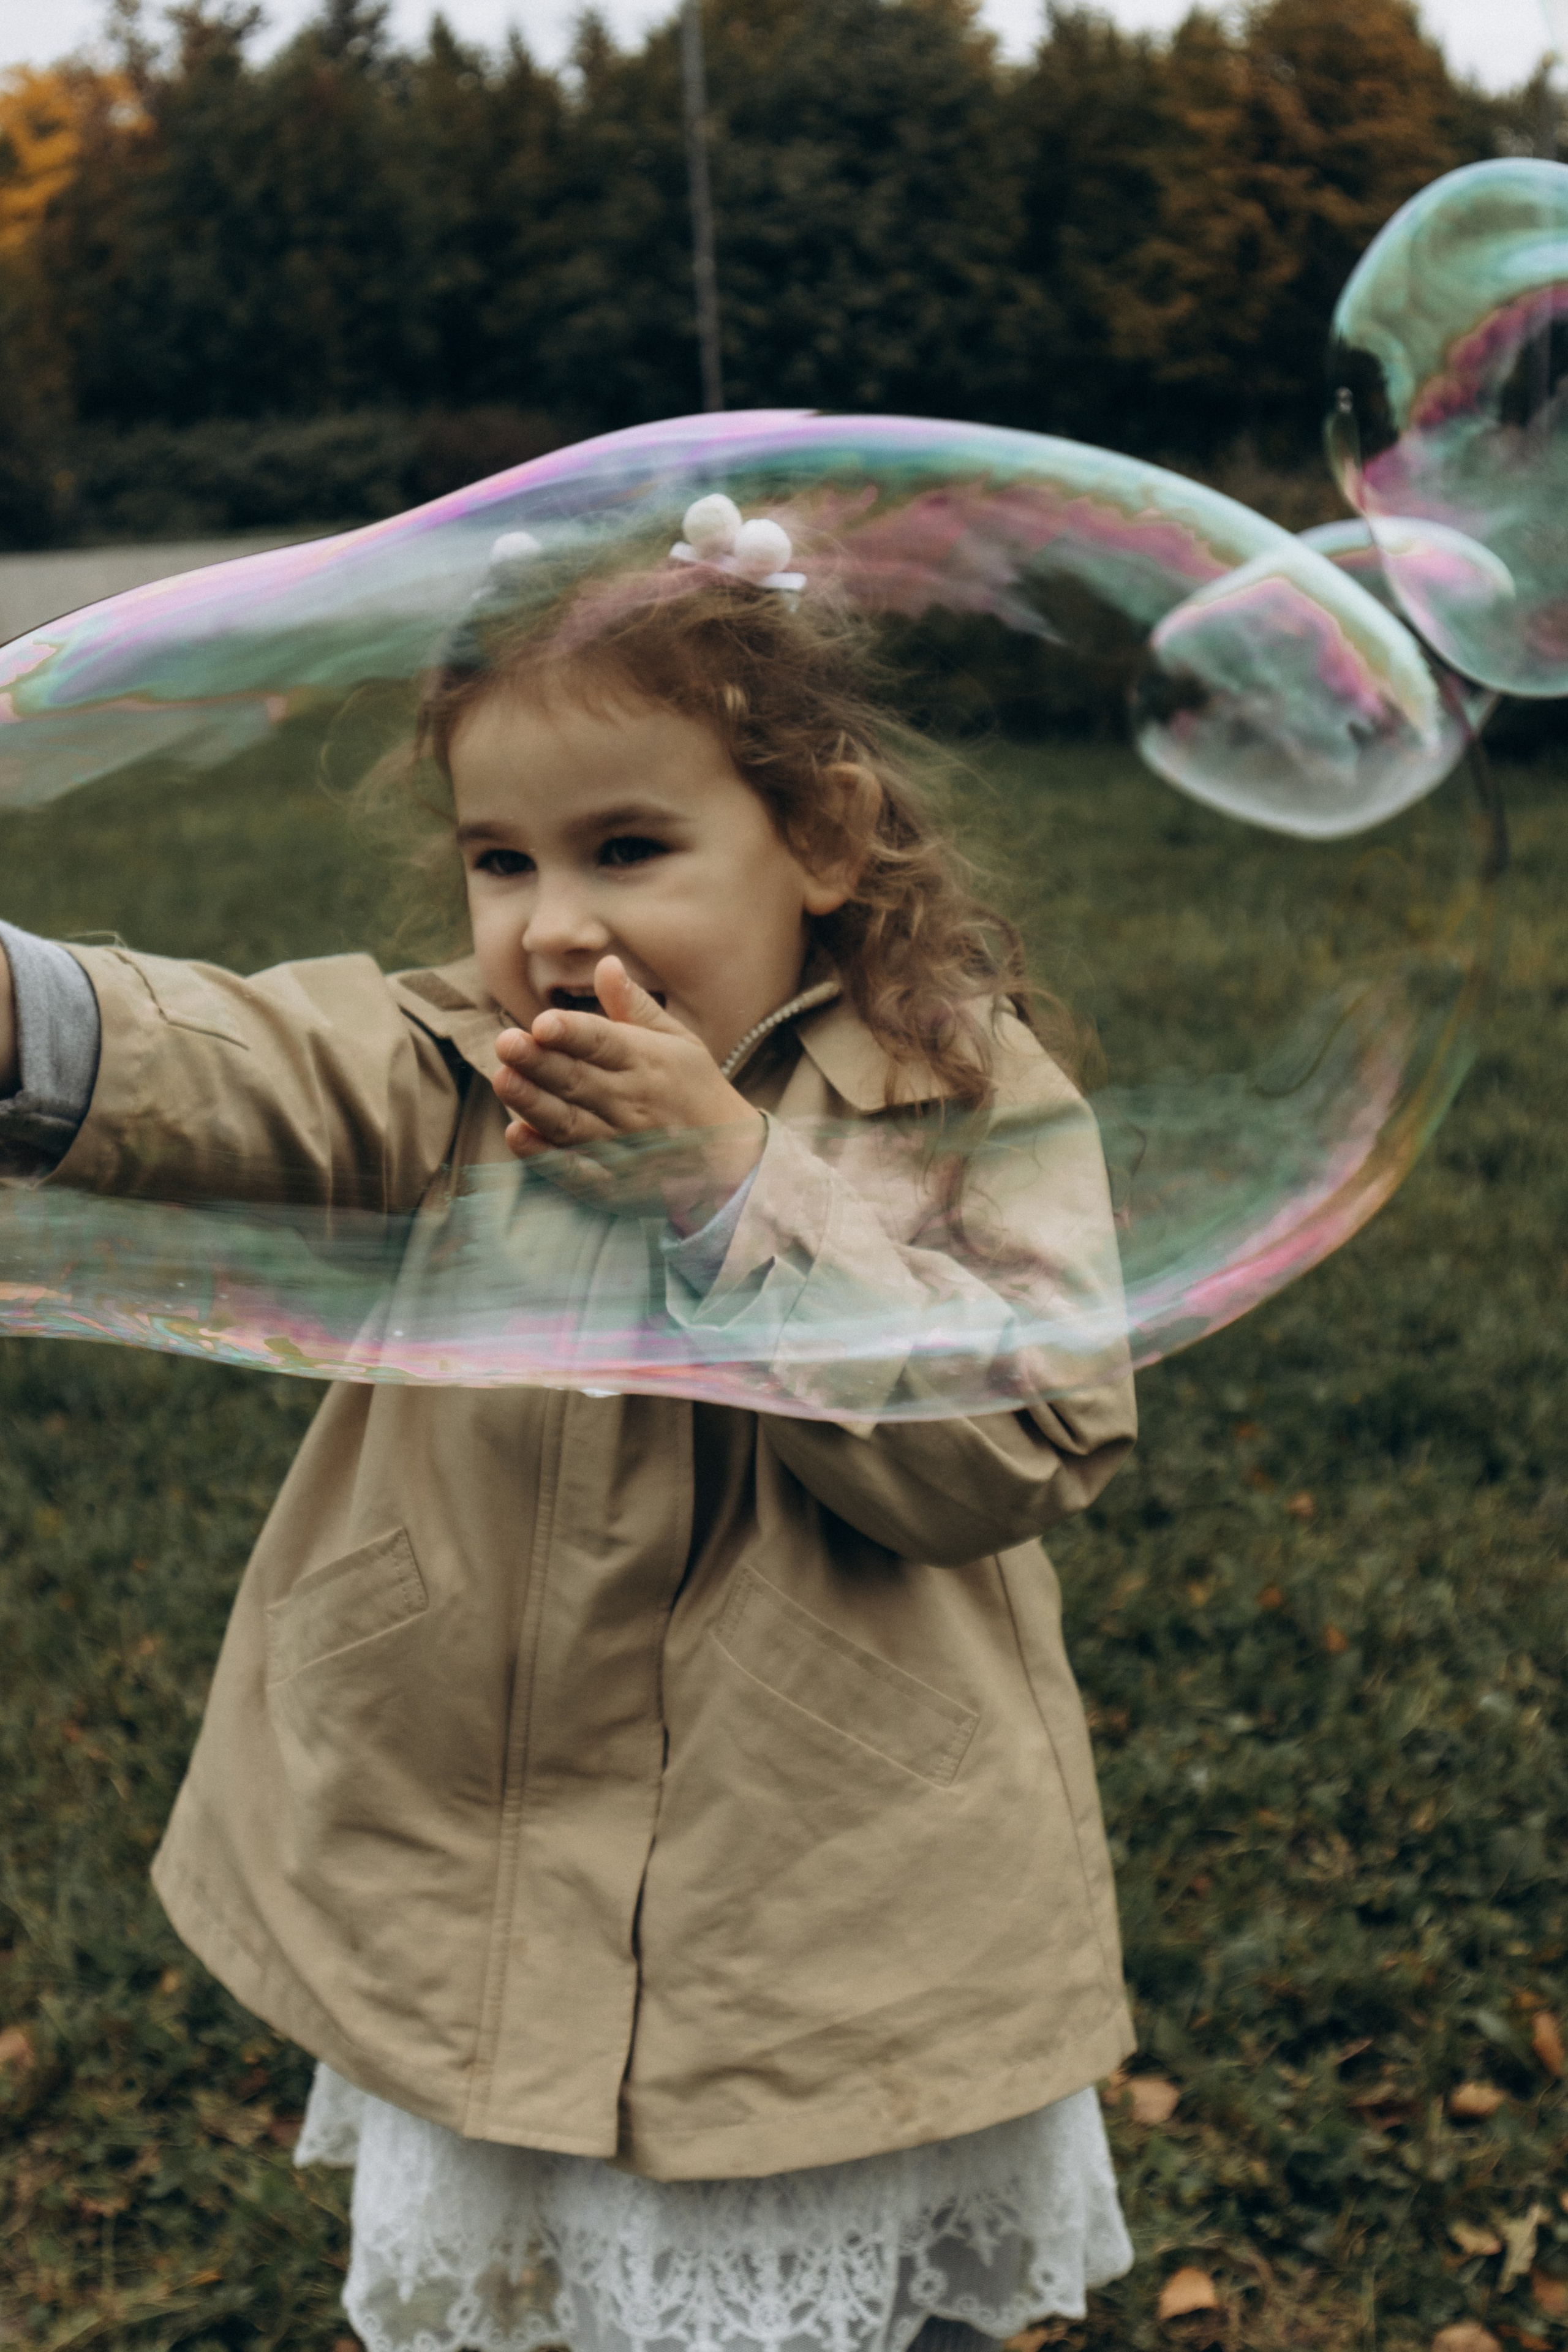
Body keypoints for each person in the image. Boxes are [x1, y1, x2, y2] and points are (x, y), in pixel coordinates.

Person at [0, 500, 1140, 2352]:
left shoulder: (957, 1093)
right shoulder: (454, 1064)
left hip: (824, 1935)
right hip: (486, 1873)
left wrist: (735, 1189)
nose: (553, 924)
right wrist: (23, 1007)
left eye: (629, 847)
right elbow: (226, 1059)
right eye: (502, 862)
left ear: (823, 840)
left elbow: (1011, 1443)